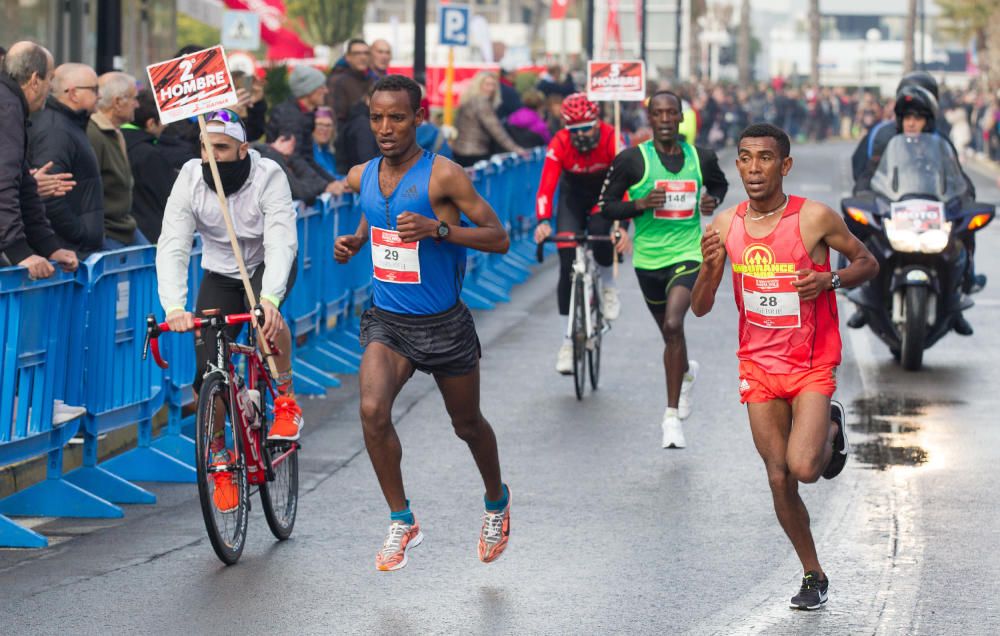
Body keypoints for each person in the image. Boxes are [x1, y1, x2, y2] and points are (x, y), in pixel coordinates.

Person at [691, 123, 879, 610]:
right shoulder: (725, 226)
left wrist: (828, 280)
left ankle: (829, 429)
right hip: (757, 365)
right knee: (779, 477)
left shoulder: (814, 219)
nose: (754, 168)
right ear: (737, 164)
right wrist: (711, 271)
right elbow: (701, 306)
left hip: (811, 364)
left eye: (765, 158)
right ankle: (813, 574)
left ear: (785, 165)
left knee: (804, 468)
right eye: (746, 158)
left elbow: (868, 262)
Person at [333, 75, 511, 571]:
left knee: (467, 424)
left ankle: (496, 501)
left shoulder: (444, 175)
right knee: (371, 410)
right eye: (376, 118)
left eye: (396, 117)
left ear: (419, 117)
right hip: (389, 322)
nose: (385, 128)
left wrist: (440, 229)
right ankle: (401, 518)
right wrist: (355, 240)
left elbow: (500, 237)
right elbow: (377, 214)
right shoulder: (361, 174)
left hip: (444, 323)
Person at [156, 109, 302, 512]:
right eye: (206, 147)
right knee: (208, 374)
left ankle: (286, 398)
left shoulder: (268, 175)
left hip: (262, 266)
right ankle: (220, 457)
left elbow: (280, 242)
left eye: (222, 147)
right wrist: (175, 306)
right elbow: (173, 244)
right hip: (220, 271)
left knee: (265, 326)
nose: (212, 156)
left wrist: (269, 299)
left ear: (243, 148)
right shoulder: (189, 178)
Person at [598, 91, 729, 448]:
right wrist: (639, 204)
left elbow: (719, 184)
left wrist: (712, 200)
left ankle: (671, 418)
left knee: (674, 324)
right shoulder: (632, 161)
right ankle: (685, 375)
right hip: (647, 262)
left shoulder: (701, 158)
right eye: (659, 114)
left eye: (673, 112)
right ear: (650, 119)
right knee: (670, 335)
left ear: (681, 116)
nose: (667, 119)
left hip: (688, 253)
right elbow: (606, 207)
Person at [534, 93, 627, 373]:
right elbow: (547, 184)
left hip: (604, 196)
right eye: (575, 130)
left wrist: (621, 225)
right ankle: (567, 340)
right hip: (573, 197)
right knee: (566, 260)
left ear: (597, 123)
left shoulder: (613, 137)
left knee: (601, 237)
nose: (582, 135)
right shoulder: (560, 142)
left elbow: (626, 182)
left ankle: (609, 287)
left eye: (586, 128)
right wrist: (543, 220)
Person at [0, 41, 78, 277]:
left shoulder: (11, 105)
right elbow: (3, 182)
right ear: (35, 79)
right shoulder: (7, 108)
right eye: (50, 79)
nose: (51, 88)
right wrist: (19, 252)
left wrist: (49, 246)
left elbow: (23, 185)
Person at [29, 62, 105, 257]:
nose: (100, 95)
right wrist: (81, 234)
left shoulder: (70, 125)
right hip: (69, 253)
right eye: (94, 89)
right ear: (73, 93)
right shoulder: (56, 131)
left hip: (74, 249)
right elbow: (49, 193)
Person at [88, 72, 146, 250]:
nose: (137, 104)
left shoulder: (115, 131)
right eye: (133, 98)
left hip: (125, 226)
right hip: (107, 231)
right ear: (117, 102)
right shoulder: (94, 134)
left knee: (152, 266)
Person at [121, 90, 178, 243]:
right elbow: (168, 196)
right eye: (164, 120)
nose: (167, 125)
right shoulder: (149, 155)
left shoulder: (117, 141)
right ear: (151, 123)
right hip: (153, 235)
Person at [265, 65, 336, 182]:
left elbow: (307, 158)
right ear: (309, 90)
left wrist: (332, 182)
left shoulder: (305, 114)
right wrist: (324, 185)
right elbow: (293, 159)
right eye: (321, 87)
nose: (326, 91)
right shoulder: (290, 116)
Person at [452, 71, 528, 167]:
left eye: (493, 85)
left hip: (460, 151)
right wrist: (516, 149)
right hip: (475, 153)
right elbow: (495, 129)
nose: (491, 89)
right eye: (487, 84)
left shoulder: (469, 100)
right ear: (478, 85)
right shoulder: (481, 102)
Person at [326, 39, 372, 124]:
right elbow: (335, 117)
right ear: (348, 57)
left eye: (366, 53)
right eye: (357, 53)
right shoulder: (337, 80)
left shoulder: (370, 79)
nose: (363, 57)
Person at [311, 106, 339, 177]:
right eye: (319, 124)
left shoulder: (328, 152)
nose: (324, 129)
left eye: (328, 125)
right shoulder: (308, 152)